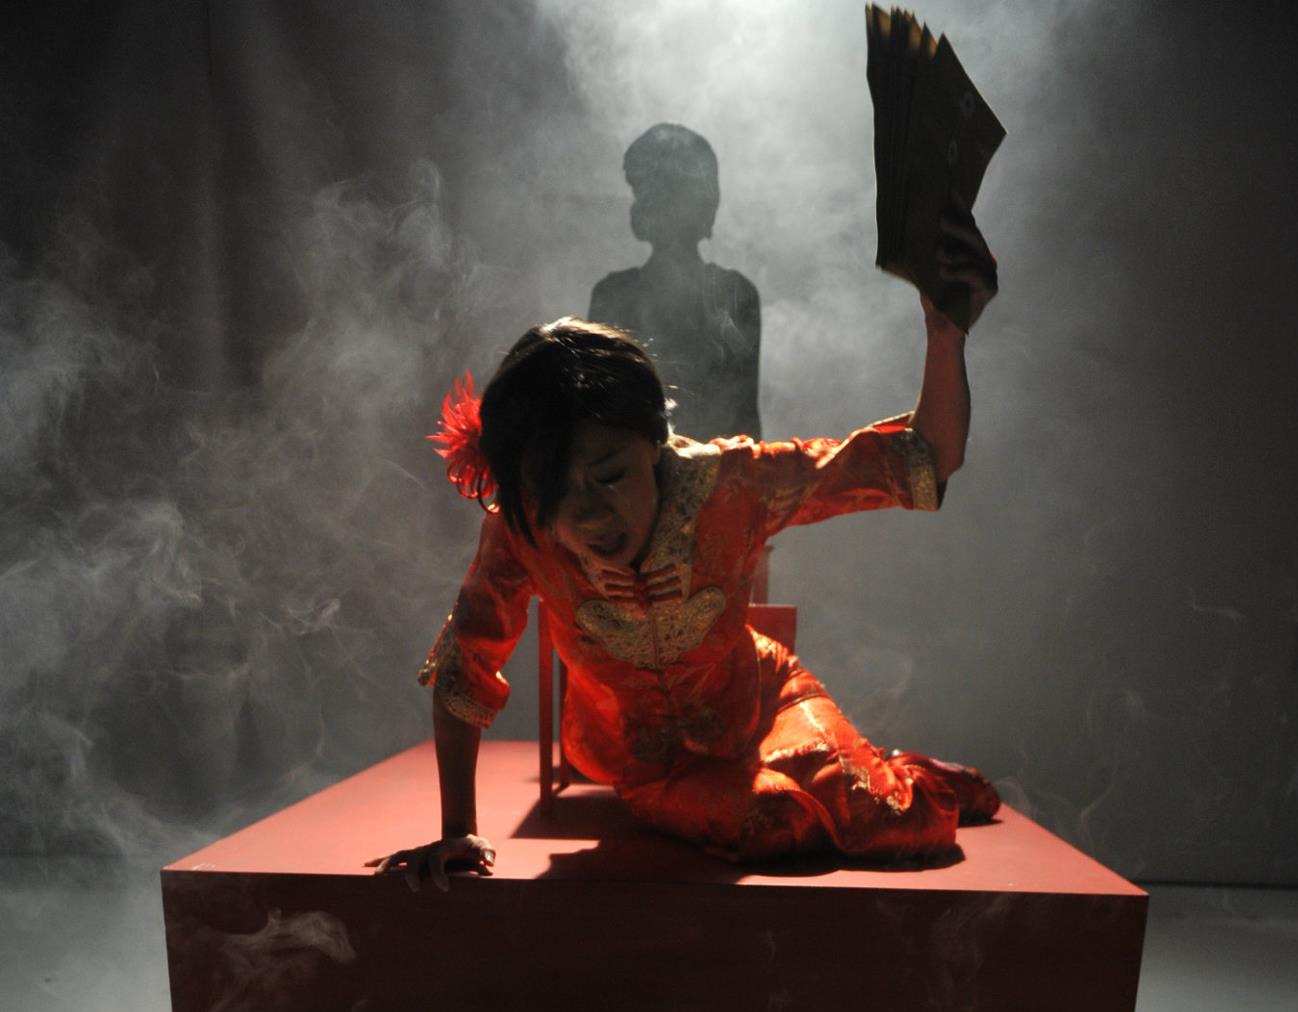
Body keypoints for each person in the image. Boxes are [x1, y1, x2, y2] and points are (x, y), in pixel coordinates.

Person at [372, 198, 1000, 887]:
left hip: (768, 701)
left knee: (895, 822)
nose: (588, 514)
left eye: (610, 475)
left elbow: (925, 458)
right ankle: (855, 776)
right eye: (556, 492)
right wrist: (458, 830)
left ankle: (905, 778)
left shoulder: (732, 483)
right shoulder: (521, 527)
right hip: (650, 765)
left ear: (652, 443)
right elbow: (464, 667)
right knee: (773, 822)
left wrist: (946, 335)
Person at [588, 122, 762, 443]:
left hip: (705, 469)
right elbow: (598, 414)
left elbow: (743, 421)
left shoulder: (734, 294)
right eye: (641, 191)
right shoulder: (612, 295)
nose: (642, 204)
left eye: (652, 191)